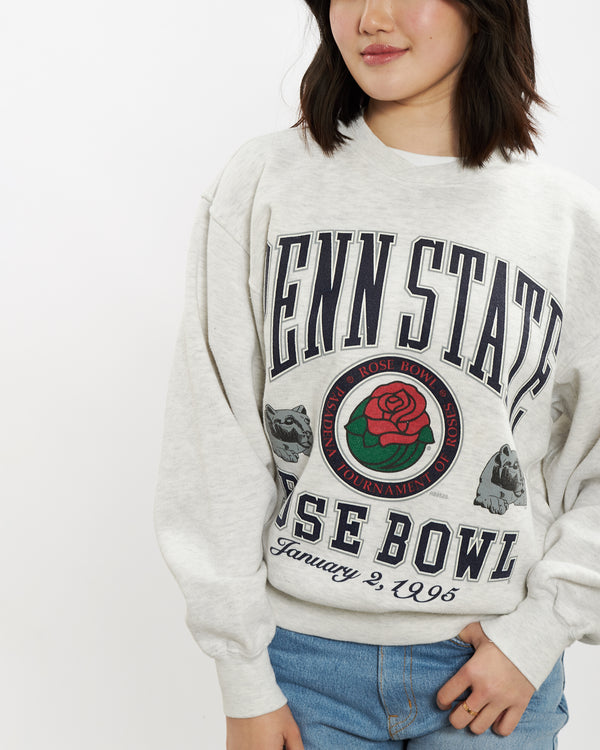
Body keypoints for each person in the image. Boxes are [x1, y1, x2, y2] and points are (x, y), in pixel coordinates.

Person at [154, 1, 600, 747]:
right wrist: (243, 676)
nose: (371, 17)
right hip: (300, 673)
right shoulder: (265, 182)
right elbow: (214, 433)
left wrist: (537, 636)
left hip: (492, 667)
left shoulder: (566, 221)